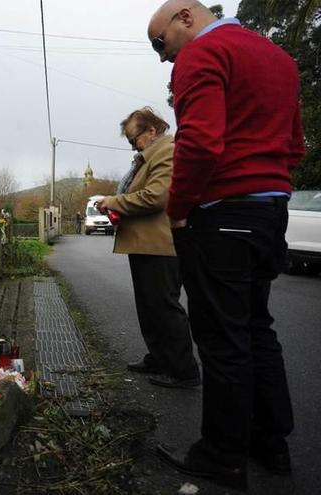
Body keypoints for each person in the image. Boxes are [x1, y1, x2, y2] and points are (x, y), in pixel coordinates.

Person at [147, 1, 304, 490]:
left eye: (160, 43)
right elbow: (295, 144)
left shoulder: (202, 54)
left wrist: (179, 209)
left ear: (186, 19)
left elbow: (200, 142)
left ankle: (221, 454)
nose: (163, 58)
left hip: (224, 212)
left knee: (222, 339)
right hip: (268, 210)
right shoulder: (278, 57)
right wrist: (269, 184)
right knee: (256, 327)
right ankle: (270, 443)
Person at [96, 108, 200, 389]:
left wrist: (114, 201)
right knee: (149, 306)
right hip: (145, 243)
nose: (133, 145)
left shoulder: (167, 152)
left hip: (160, 243)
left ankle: (184, 370)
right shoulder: (148, 156)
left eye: (134, 139)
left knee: (164, 306)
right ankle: (158, 357)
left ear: (152, 131)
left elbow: (157, 196)